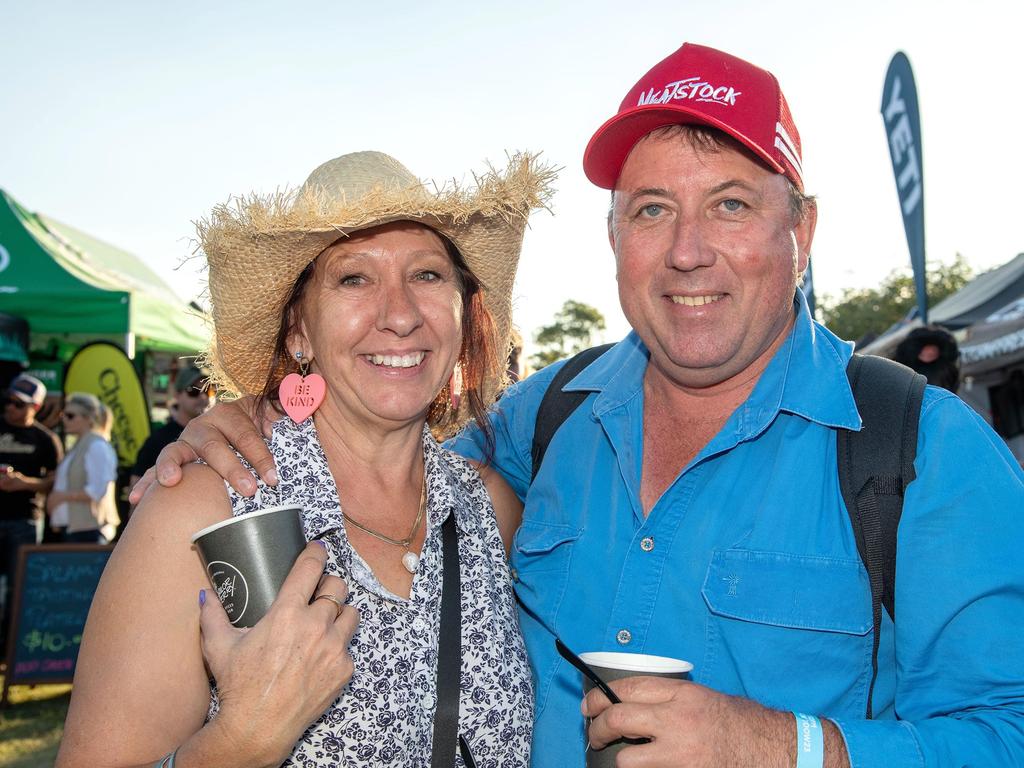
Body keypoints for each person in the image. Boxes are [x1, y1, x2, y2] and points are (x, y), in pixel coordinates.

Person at [139, 44, 1024, 767]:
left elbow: (1008, 734)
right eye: (650, 210)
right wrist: (260, 415)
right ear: (612, 239)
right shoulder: (548, 417)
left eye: (729, 204)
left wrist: (779, 745)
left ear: (804, 229)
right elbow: (384, 426)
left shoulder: (922, 453)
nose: (687, 252)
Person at [60, 149, 551, 767]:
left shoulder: (491, 510)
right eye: (353, 278)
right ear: (298, 330)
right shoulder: (203, 511)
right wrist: (242, 742)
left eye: (428, 275)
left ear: (462, 312)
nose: (399, 314)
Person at [0, 373, 62, 649]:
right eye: (8, 401)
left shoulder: (46, 440)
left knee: (19, 586)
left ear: (34, 408)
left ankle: (12, 646)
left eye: (17, 403)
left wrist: (24, 483)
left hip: (24, 519)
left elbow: (54, 482)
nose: (9, 407)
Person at [46, 393, 119, 543]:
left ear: (88, 418)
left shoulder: (97, 446)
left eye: (70, 415)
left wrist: (61, 497)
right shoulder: (81, 445)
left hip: (89, 530)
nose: (64, 419)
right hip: (75, 529)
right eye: (63, 415)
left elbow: (97, 490)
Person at [129, 364, 213, 490]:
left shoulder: (214, 435)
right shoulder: (157, 440)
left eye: (208, 390)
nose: (203, 397)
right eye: (193, 391)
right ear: (177, 395)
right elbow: (136, 487)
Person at [893, 323, 961, 392]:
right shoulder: (902, 369)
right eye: (926, 349)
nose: (929, 353)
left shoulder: (947, 371)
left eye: (933, 350)